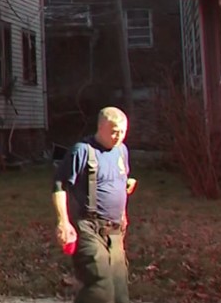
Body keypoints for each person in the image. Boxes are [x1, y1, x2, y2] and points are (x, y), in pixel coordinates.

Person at [52, 107, 136, 303]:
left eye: (123, 131)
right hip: (88, 227)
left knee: (120, 293)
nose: (118, 136)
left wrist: (123, 212)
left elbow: (120, 181)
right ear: (101, 127)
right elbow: (59, 184)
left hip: (114, 230)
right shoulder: (82, 151)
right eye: (114, 131)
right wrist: (63, 222)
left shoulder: (122, 151)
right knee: (100, 287)